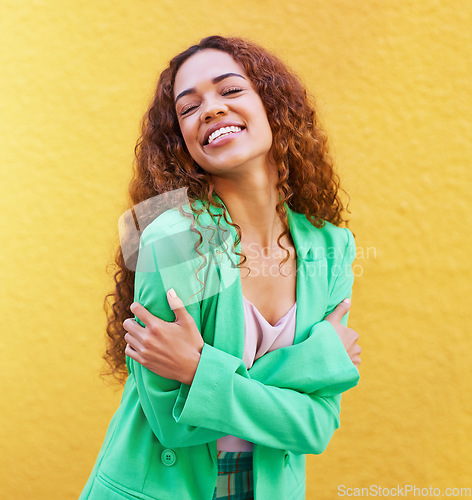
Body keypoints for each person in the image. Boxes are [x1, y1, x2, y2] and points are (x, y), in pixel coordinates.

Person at [79, 35, 361, 500]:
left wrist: (198, 369)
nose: (210, 109)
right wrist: (314, 363)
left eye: (230, 91)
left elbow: (316, 427)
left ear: (272, 107)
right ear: (181, 140)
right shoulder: (171, 236)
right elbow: (175, 427)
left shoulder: (331, 246)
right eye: (188, 108)